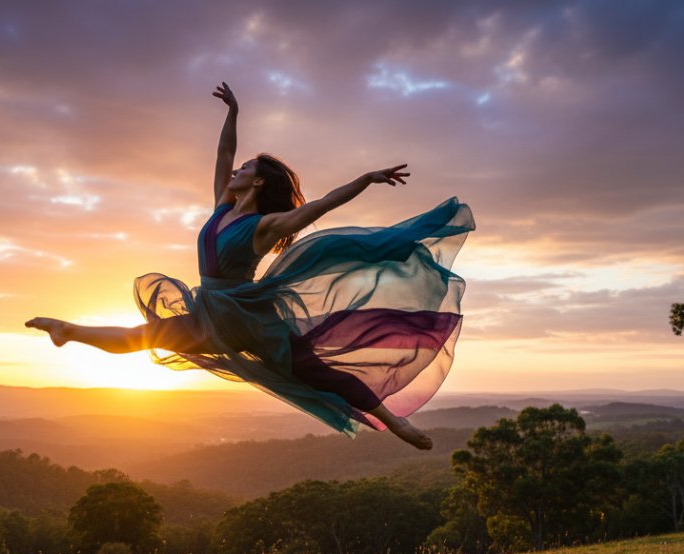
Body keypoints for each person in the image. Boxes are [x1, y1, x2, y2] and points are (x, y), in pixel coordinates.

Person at [27, 82, 472, 449]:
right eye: (238, 168)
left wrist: (365, 180)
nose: (235, 170)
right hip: (209, 311)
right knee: (139, 338)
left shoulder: (265, 226)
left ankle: (395, 423)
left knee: (316, 371)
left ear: (257, 181)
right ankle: (68, 331)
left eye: (245, 168)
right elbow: (223, 155)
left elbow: (318, 206)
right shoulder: (223, 207)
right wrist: (233, 113)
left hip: (248, 316)